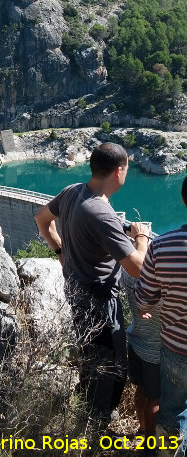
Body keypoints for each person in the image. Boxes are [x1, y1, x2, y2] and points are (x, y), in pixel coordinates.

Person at [34, 142, 149, 425]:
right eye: (127, 171)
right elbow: (137, 268)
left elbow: (41, 218)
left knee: (91, 355)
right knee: (112, 366)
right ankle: (98, 424)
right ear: (118, 172)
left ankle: (87, 406)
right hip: (100, 301)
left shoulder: (73, 191)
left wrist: (59, 249)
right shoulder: (101, 213)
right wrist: (142, 238)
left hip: (75, 290)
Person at [134, 176, 187, 456]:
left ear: (182, 199)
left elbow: (144, 298)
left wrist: (143, 309)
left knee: (173, 409)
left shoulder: (161, 246)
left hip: (176, 348)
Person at [121, 265, 161, 441]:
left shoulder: (127, 273)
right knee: (154, 399)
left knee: (141, 390)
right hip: (155, 350)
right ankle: (150, 444)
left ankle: (142, 429)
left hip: (136, 341)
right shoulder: (158, 280)